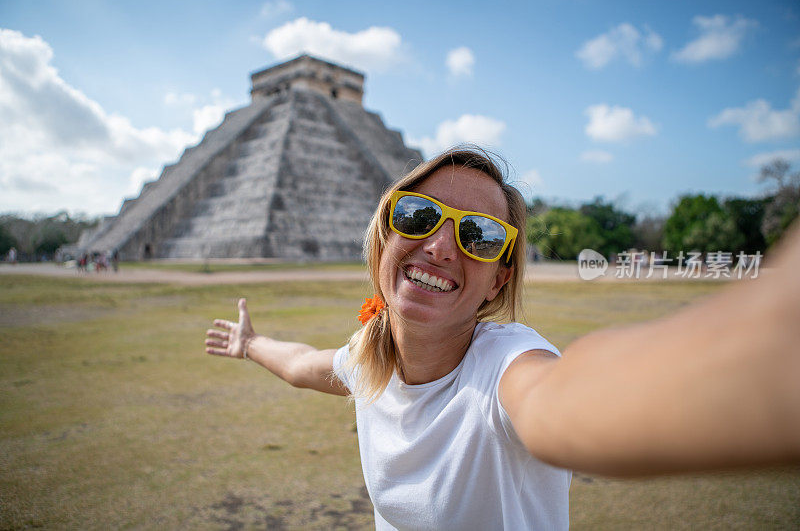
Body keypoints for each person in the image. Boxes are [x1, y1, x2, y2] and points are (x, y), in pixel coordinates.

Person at [206, 147, 800, 529]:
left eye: (481, 236)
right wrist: (249, 345)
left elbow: (565, 400)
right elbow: (305, 365)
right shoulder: (370, 357)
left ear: (500, 279)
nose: (440, 245)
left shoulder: (506, 368)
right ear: (384, 235)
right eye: (417, 216)